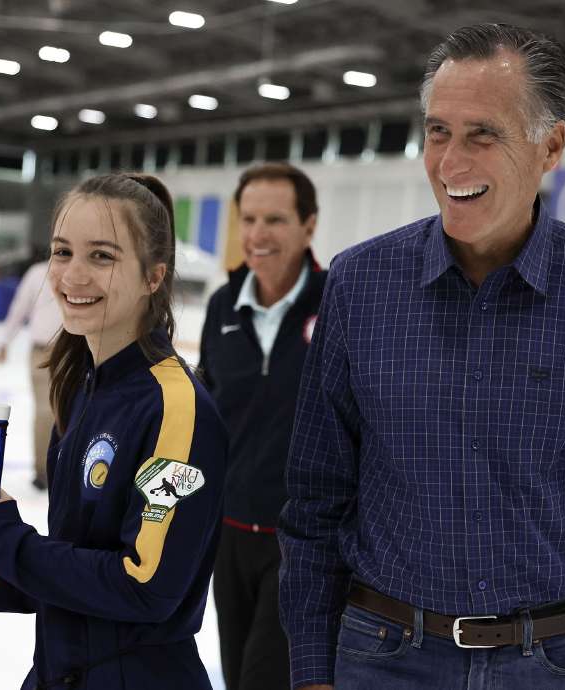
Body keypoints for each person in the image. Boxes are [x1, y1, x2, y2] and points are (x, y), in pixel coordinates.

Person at [278, 23, 565, 690]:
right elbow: (315, 502)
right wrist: (313, 667)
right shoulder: (361, 286)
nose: (451, 162)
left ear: (550, 145)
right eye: (438, 132)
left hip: (549, 665)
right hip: (382, 658)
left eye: (482, 135)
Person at [0, 173, 227, 690]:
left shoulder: (176, 408)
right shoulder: (81, 388)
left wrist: (12, 544)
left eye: (102, 256)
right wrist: (7, 578)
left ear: (153, 277)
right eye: (62, 252)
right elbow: (85, 554)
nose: (73, 275)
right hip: (62, 669)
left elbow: (146, 584)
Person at [199, 163, 325, 690]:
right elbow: (208, 414)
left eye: (274, 219)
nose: (257, 234)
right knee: (237, 674)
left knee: (263, 679)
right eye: (248, 219)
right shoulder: (222, 306)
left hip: (301, 541)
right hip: (228, 535)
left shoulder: (339, 303)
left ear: (309, 225)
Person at [0, 251, 63, 489]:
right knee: (49, 411)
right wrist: (5, 341)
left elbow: (19, 309)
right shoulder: (38, 274)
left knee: (56, 411)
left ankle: (49, 471)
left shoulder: (41, 272)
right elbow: (20, 308)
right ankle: (45, 471)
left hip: (69, 351)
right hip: (47, 352)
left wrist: (5, 342)